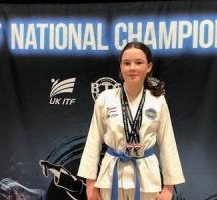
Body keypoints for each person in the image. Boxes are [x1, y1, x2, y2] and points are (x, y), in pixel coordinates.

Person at [77, 42, 185, 200]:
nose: (132, 68)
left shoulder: (157, 100)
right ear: (120, 66)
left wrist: (169, 187)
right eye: (127, 63)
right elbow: (93, 142)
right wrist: (90, 183)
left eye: (139, 62)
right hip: (111, 177)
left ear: (148, 67)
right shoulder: (105, 99)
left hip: (147, 179)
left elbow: (167, 144)